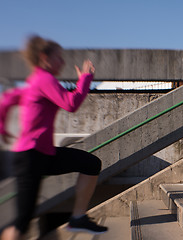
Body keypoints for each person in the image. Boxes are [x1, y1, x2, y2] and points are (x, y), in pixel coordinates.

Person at [0, 36, 108, 240]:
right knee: (21, 224)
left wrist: (3, 128)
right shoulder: (43, 78)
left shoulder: (35, 81)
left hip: (43, 154)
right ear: (45, 58)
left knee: (91, 164)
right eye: (59, 57)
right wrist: (85, 79)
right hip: (30, 157)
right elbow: (70, 104)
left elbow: (7, 99)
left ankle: (77, 217)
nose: (63, 62)